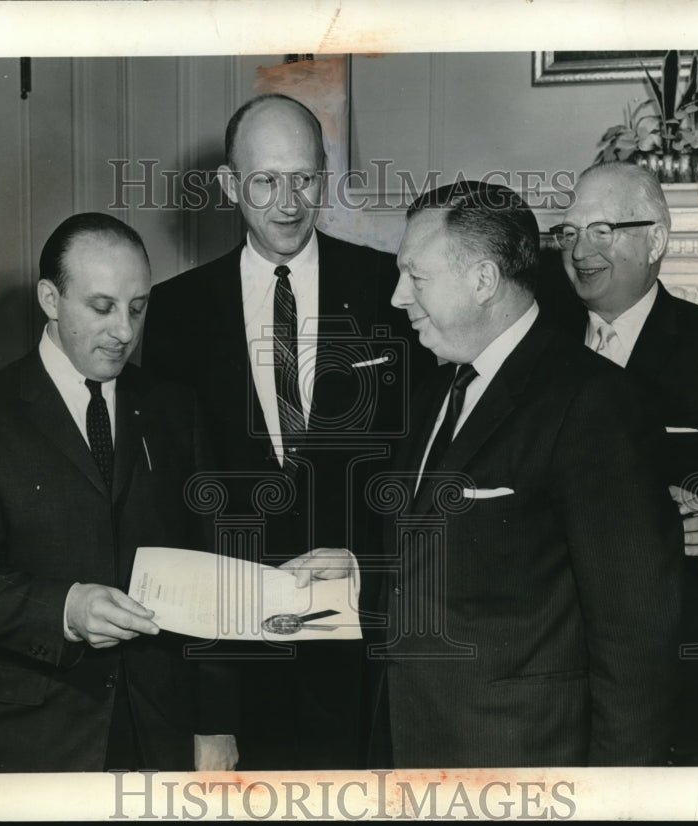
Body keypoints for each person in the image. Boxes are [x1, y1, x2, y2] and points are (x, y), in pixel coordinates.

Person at [141, 93, 431, 769]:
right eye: (266, 181)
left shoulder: (388, 290)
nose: (289, 203)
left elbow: (419, 466)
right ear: (229, 185)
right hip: (236, 656)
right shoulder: (179, 311)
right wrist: (208, 710)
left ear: (324, 176)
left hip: (370, 650)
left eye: (303, 178)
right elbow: (176, 506)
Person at [349, 180, 683, 767]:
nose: (398, 296)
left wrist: (615, 797)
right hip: (407, 747)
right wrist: (355, 568)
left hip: (522, 763)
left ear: (483, 280)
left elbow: (636, 639)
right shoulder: (433, 389)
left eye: (416, 277)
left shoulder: (592, 402)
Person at [0, 213, 236, 772]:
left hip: (161, 728)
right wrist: (65, 607)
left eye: (137, 307)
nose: (125, 331)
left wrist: (215, 721)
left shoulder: (175, 408)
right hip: (35, 735)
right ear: (50, 298)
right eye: (102, 307)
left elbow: (214, 570)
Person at [549, 161, 698, 765]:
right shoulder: (540, 343)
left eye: (602, 231)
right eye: (570, 232)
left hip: (669, 655)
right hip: (555, 651)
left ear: (655, 240)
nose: (580, 251)